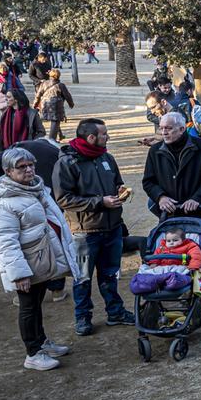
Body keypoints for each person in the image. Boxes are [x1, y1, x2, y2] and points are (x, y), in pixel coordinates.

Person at [0, 147, 82, 371]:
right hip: (27, 263)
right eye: (22, 167)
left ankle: (42, 343)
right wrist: (19, 274)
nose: (29, 170)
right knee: (28, 307)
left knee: (37, 303)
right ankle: (32, 353)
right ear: (8, 171)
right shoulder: (2, 202)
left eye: (31, 165)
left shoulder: (36, 187)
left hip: (42, 259)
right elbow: (5, 241)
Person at [54, 118, 134, 336]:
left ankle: (115, 312)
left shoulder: (106, 157)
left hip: (112, 228)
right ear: (91, 137)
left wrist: (120, 191)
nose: (107, 137)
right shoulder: (67, 163)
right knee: (83, 278)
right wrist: (100, 202)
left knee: (110, 274)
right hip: (84, 233)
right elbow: (63, 199)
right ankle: (83, 318)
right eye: (104, 134)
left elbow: (117, 181)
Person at [141, 110, 201, 223]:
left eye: (168, 128)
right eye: (161, 128)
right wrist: (160, 197)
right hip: (169, 215)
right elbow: (148, 181)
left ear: (182, 129)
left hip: (199, 213)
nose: (164, 132)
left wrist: (197, 198)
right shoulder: (155, 151)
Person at [35, 70, 75, 140]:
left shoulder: (44, 83)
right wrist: (71, 104)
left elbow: (38, 95)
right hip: (56, 105)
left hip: (45, 104)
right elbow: (67, 96)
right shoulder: (61, 85)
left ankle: (60, 135)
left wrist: (35, 104)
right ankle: (51, 139)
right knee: (55, 121)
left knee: (55, 120)